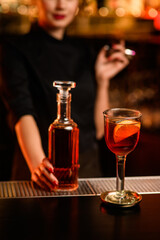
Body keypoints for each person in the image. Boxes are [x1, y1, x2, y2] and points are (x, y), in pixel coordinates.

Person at [0, 0, 129, 190]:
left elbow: (99, 131)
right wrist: (38, 165)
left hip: (86, 168)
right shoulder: (14, 49)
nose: (61, 5)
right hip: (40, 165)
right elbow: (21, 111)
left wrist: (103, 81)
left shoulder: (86, 52)